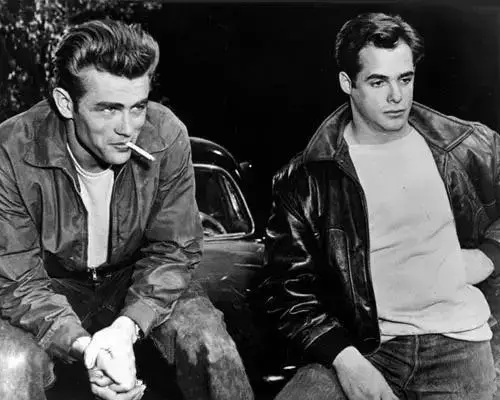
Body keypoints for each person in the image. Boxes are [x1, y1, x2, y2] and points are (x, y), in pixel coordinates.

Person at [0, 19, 253, 400]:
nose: (128, 128)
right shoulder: (12, 149)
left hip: (134, 275)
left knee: (210, 343)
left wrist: (126, 328)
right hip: (50, 283)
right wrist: (89, 349)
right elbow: (18, 279)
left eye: (138, 107)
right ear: (66, 104)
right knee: (9, 364)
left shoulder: (166, 135)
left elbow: (174, 249)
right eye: (108, 110)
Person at [261, 12, 500, 400]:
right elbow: (286, 291)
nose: (396, 96)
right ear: (347, 83)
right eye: (378, 82)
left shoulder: (467, 147)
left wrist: (491, 253)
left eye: (405, 79)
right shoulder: (306, 178)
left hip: (458, 346)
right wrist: (345, 360)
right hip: (362, 346)